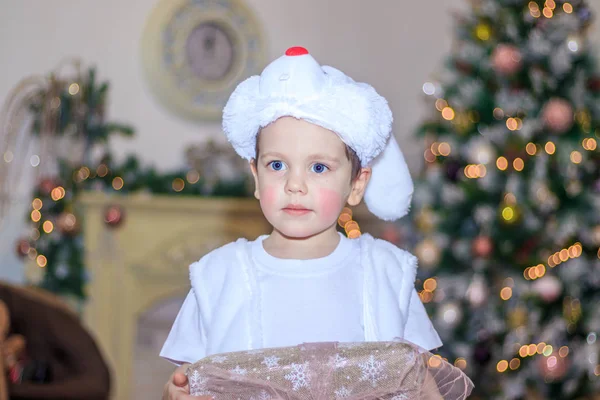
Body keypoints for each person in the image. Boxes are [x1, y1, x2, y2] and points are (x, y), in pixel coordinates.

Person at [161, 46, 442, 400]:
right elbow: (183, 381)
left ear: (357, 184)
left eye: (319, 167)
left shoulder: (386, 273)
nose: (295, 184)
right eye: (277, 165)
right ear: (255, 175)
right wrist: (174, 393)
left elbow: (422, 383)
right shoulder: (218, 277)